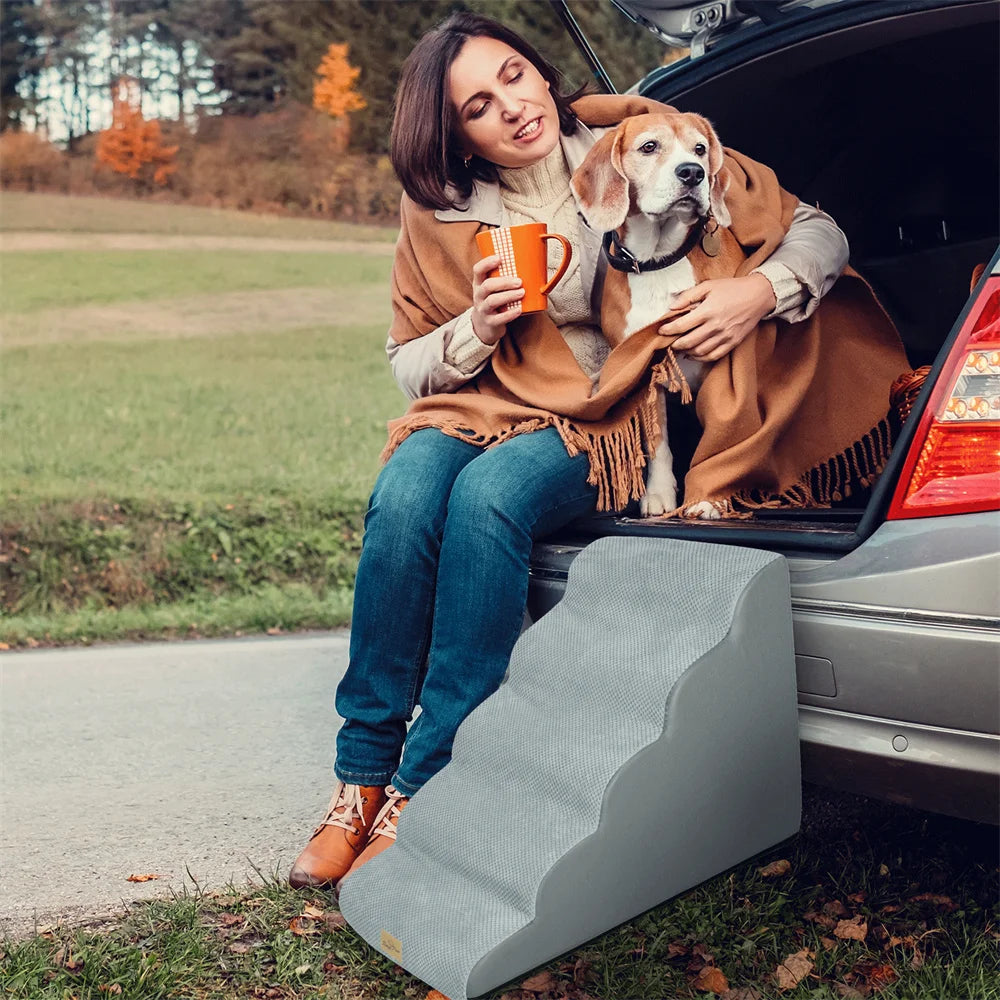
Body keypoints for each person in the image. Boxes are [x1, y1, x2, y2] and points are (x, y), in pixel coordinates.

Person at [289, 12, 905, 891]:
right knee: (404, 494)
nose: (507, 106)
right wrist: (477, 326)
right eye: (475, 106)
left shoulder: (637, 142)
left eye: (512, 75)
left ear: (541, 71)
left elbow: (817, 230)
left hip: (604, 413)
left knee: (488, 501)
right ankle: (358, 780)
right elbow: (409, 366)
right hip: (483, 398)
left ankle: (429, 783)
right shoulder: (441, 212)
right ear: (453, 133)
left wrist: (761, 292)